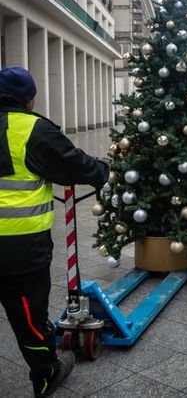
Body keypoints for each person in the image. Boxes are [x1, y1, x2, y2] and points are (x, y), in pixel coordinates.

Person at [0, 67, 109, 397]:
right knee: (28, 315)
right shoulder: (32, 128)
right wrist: (101, 170)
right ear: (30, 99)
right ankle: (45, 373)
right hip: (19, 246)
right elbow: (72, 163)